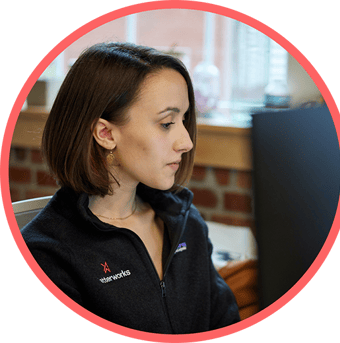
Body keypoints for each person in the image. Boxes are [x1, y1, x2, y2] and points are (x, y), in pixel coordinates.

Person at [21, 42, 240, 333]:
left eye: (184, 120)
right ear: (105, 133)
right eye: (166, 123)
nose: (186, 142)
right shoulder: (45, 256)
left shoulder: (186, 222)